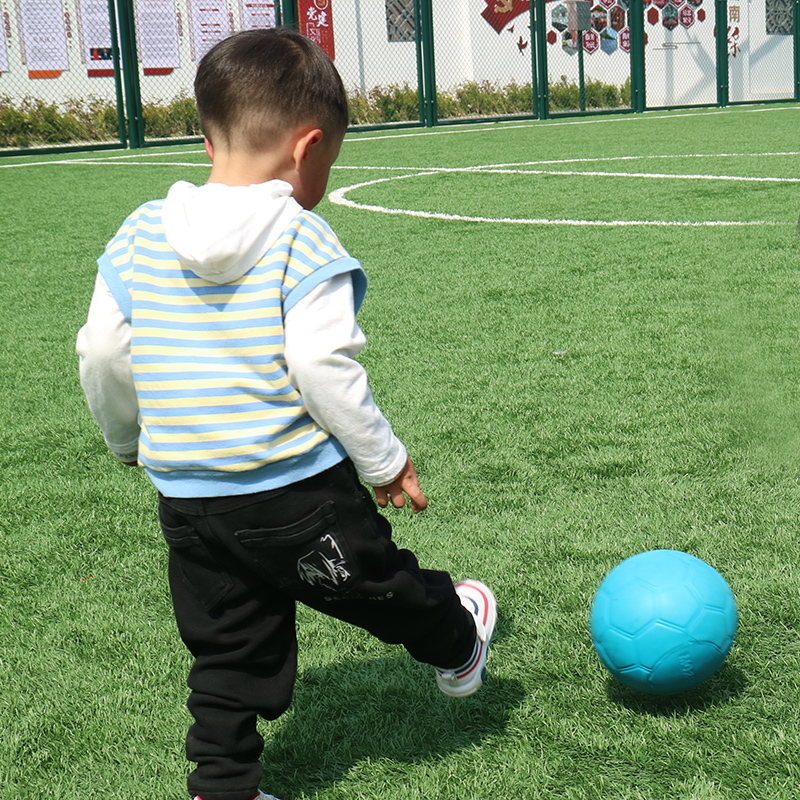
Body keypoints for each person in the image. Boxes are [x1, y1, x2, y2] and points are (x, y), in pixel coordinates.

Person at [76, 28, 496, 800]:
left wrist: (126, 438)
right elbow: (319, 365)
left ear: (208, 137)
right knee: (377, 583)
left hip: (189, 500)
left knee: (225, 647)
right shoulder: (301, 237)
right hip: (293, 494)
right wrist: (384, 460)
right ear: (309, 148)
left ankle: (223, 785)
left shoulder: (138, 233)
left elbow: (102, 350)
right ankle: (459, 640)